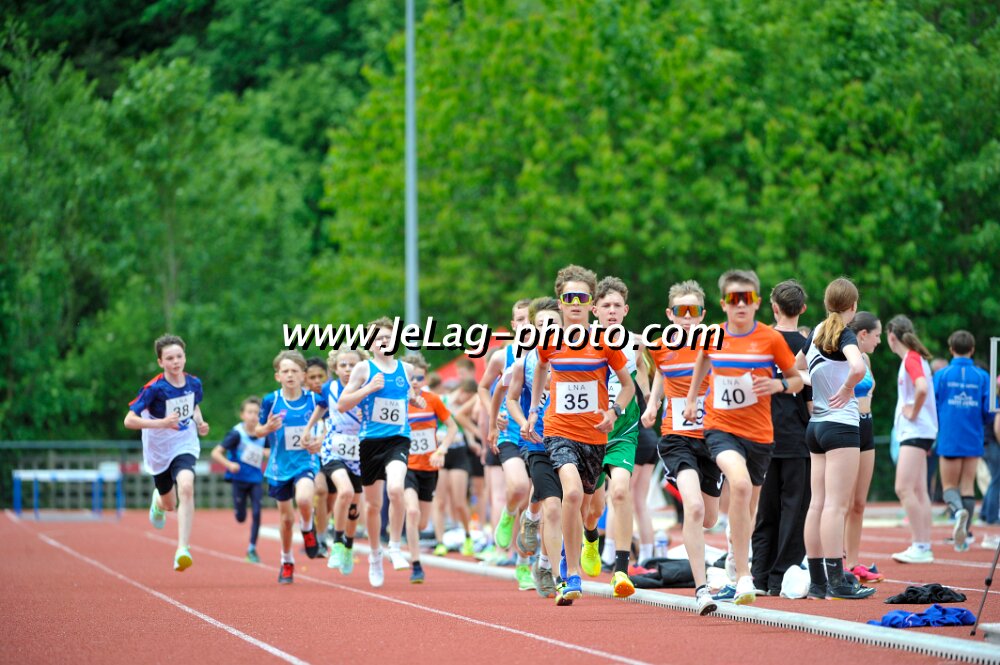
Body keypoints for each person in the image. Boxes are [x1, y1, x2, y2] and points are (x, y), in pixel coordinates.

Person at [684, 269, 803, 605]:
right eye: (733, 299)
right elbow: (702, 360)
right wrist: (692, 399)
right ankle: (743, 575)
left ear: (757, 302)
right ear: (723, 303)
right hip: (720, 427)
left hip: (760, 435)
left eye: (746, 298)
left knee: (749, 507)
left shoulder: (770, 339)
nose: (740, 305)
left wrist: (778, 384)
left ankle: (737, 562)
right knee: (738, 485)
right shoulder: (712, 335)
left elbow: (796, 379)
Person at [526, 264, 634, 604]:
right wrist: (534, 410)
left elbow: (628, 387)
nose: (575, 304)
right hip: (558, 431)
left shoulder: (605, 342)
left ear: (591, 303)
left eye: (582, 298)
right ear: (560, 302)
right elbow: (540, 367)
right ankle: (571, 574)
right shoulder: (549, 341)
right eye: (569, 298)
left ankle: (578, 549)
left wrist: (613, 412)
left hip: (594, 436)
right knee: (570, 493)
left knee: (589, 506)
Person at [642, 280, 719, 615]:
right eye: (680, 311)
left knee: (710, 518)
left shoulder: (714, 343)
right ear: (670, 314)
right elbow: (662, 372)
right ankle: (702, 589)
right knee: (694, 508)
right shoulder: (660, 345)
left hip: (713, 438)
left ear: (702, 314)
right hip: (676, 436)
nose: (687, 317)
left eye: (693, 311)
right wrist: (652, 404)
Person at [796, 278, 874, 599]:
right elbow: (857, 367)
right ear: (853, 306)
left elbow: (794, 369)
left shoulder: (816, 332)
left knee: (817, 504)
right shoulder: (845, 333)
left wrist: (819, 387)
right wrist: (844, 389)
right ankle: (837, 581)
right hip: (841, 426)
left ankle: (818, 582)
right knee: (836, 506)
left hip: (816, 427)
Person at [337, 317, 424, 587]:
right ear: (370, 344)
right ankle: (375, 555)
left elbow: (405, 395)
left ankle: (395, 546)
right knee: (373, 506)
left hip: (399, 439)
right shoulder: (364, 368)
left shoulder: (406, 369)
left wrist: (415, 399)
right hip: (370, 442)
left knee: (396, 489)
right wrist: (368, 388)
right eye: (379, 339)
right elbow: (342, 404)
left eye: (388, 337)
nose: (384, 342)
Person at [581, 276, 648, 599]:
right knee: (592, 507)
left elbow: (642, 373)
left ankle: (621, 569)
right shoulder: (581, 341)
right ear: (594, 310)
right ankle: (591, 537)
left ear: (626, 310)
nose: (611, 311)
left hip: (623, 430)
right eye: (605, 305)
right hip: (589, 432)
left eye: (617, 305)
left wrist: (650, 403)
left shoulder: (636, 342)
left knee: (620, 492)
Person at [125, 334, 209, 572]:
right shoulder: (154, 389)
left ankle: (182, 548)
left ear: (185, 357)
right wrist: (161, 423)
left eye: (179, 356)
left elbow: (194, 406)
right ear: (160, 362)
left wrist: (199, 422)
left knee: (186, 486)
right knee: (169, 504)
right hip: (159, 448)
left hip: (184, 442)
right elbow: (129, 420)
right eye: (170, 358)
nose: (175, 362)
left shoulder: (194, 383)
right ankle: (158, 503)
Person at [750, 280, 812, 597]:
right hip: (797, 436)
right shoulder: (808, 346)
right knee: (795, 510)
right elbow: (812, 399)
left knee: (766, 509)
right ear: (802, 309)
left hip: (761, 433)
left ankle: (759, 576)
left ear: (773, 307)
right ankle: (780, 576)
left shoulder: (759, 341)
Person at [506, 297, 562, 599]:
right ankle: (554, 571)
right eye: (541, 324)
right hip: (537, 439)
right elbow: (509, 399)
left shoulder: (579, 355)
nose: (547, 328)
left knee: (577, 509)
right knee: (553, 506)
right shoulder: (524, 361)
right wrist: (521, 421)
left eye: (552, 323)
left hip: (573, 437)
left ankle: (542, 562)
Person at [255, 350, 322, 584]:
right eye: (285, 371)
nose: (290, 375)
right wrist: (267, 428)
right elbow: (257, 431)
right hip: (279, 466)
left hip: (305, 461)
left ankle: (308, 528)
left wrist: (319, 441)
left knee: (303, 499)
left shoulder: (314, 400)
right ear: (278, 376)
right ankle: (286, 561)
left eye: (295, 371)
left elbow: (329, 426)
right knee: (285, 519)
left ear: (303, 375)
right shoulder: (271, 401)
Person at [304, 348, 367, 575]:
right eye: (343, 365)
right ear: (335, 368)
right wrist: (309, 428)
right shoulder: (329, 388)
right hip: (334, 448)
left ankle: (348, 545)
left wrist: (366, 416)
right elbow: (321, 407)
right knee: (345, 491)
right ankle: (337, 542)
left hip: (360, 452)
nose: (348, 370)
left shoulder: (368, 388)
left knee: (354, 506)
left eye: (352, 365)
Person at [480, 300, 533, 571]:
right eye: (520, 319)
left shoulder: (549, 355)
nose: (526, 324)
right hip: (510, 433)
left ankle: (523, 563)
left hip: (539, 434)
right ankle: (508, 513)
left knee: (533, 504)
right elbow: (485, 388)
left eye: (530, 319)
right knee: (519, 488)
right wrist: (493, 420)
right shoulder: (503, 356)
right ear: (513, 325)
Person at [935, 330, 996, 551]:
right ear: (972, 350)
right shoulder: (982, 376)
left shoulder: (941, 375)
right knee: (968, 487)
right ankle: (964, 536)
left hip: (949, 436)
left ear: (951, 349)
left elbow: (933, 405)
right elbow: (990, 410)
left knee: (949, 487)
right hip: (973, 436)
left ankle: (958, 511)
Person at [402, 352, 459, 583]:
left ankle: (410, 536)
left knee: (422, 522)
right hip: (405, 465)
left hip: (429, 467)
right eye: (411, 378)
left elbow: (452, 427)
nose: (416, 382)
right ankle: (416, 564)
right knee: (412, 512)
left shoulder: (433, 400)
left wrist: (441, 449)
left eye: (420, 378)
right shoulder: (399, 401)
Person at [887, 315, 939, 564]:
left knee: (903, 488)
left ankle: (920, 545)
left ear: (891, 337)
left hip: (916, 431)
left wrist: (913, 411)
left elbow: (922, 388)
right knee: (919, 490)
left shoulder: (911, 358)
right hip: (921, 431)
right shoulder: (914, 358)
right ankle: (923, 544)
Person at [844, 312, 884, 582]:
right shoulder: (843, 357)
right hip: (847, 427)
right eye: (877, 335)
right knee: (843, 503)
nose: (879, 341)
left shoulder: (866, 360)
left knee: (859, 503)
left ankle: (854, 563)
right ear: (863, 334)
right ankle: (835, 562)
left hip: (867, 427)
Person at [211, 396, 268, 563]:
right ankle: (239, 511)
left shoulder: (264, 433)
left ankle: (252, 548)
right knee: (241, 517)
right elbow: (216, 453)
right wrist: (229, 464)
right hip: (239, 479)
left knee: (257, 512)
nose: (253, 416)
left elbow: (271, 451)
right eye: (250, 412)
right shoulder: (236, 434)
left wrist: (266, 453)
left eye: (256, 413)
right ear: (243, 415)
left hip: (255, 479)